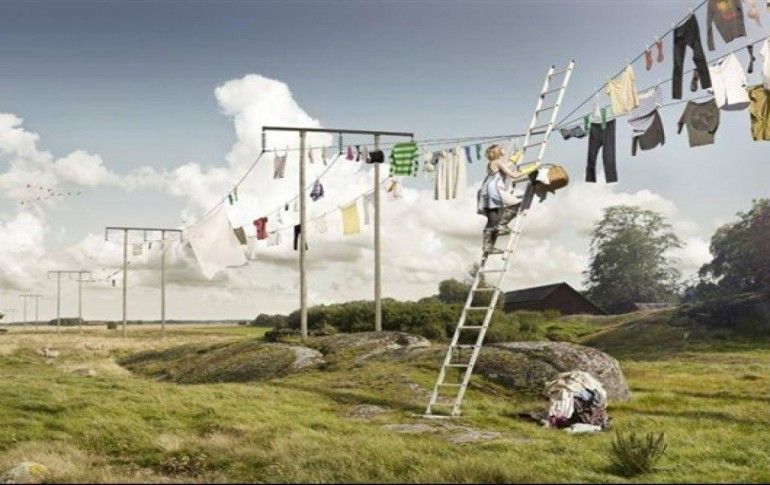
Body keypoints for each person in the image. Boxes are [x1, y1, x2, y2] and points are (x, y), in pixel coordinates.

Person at [477, 144, 524, 255]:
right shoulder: (498, 162)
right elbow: (513, 175)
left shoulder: (491, 164)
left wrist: (517, 156)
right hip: (494, 190)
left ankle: (488, 247)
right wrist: (530, 170)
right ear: (498, 152)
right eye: (501, 148)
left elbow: (507, 166)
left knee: (492, 221)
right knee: (517, 203)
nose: (504, 149)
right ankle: (503, 224)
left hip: (485, 192)